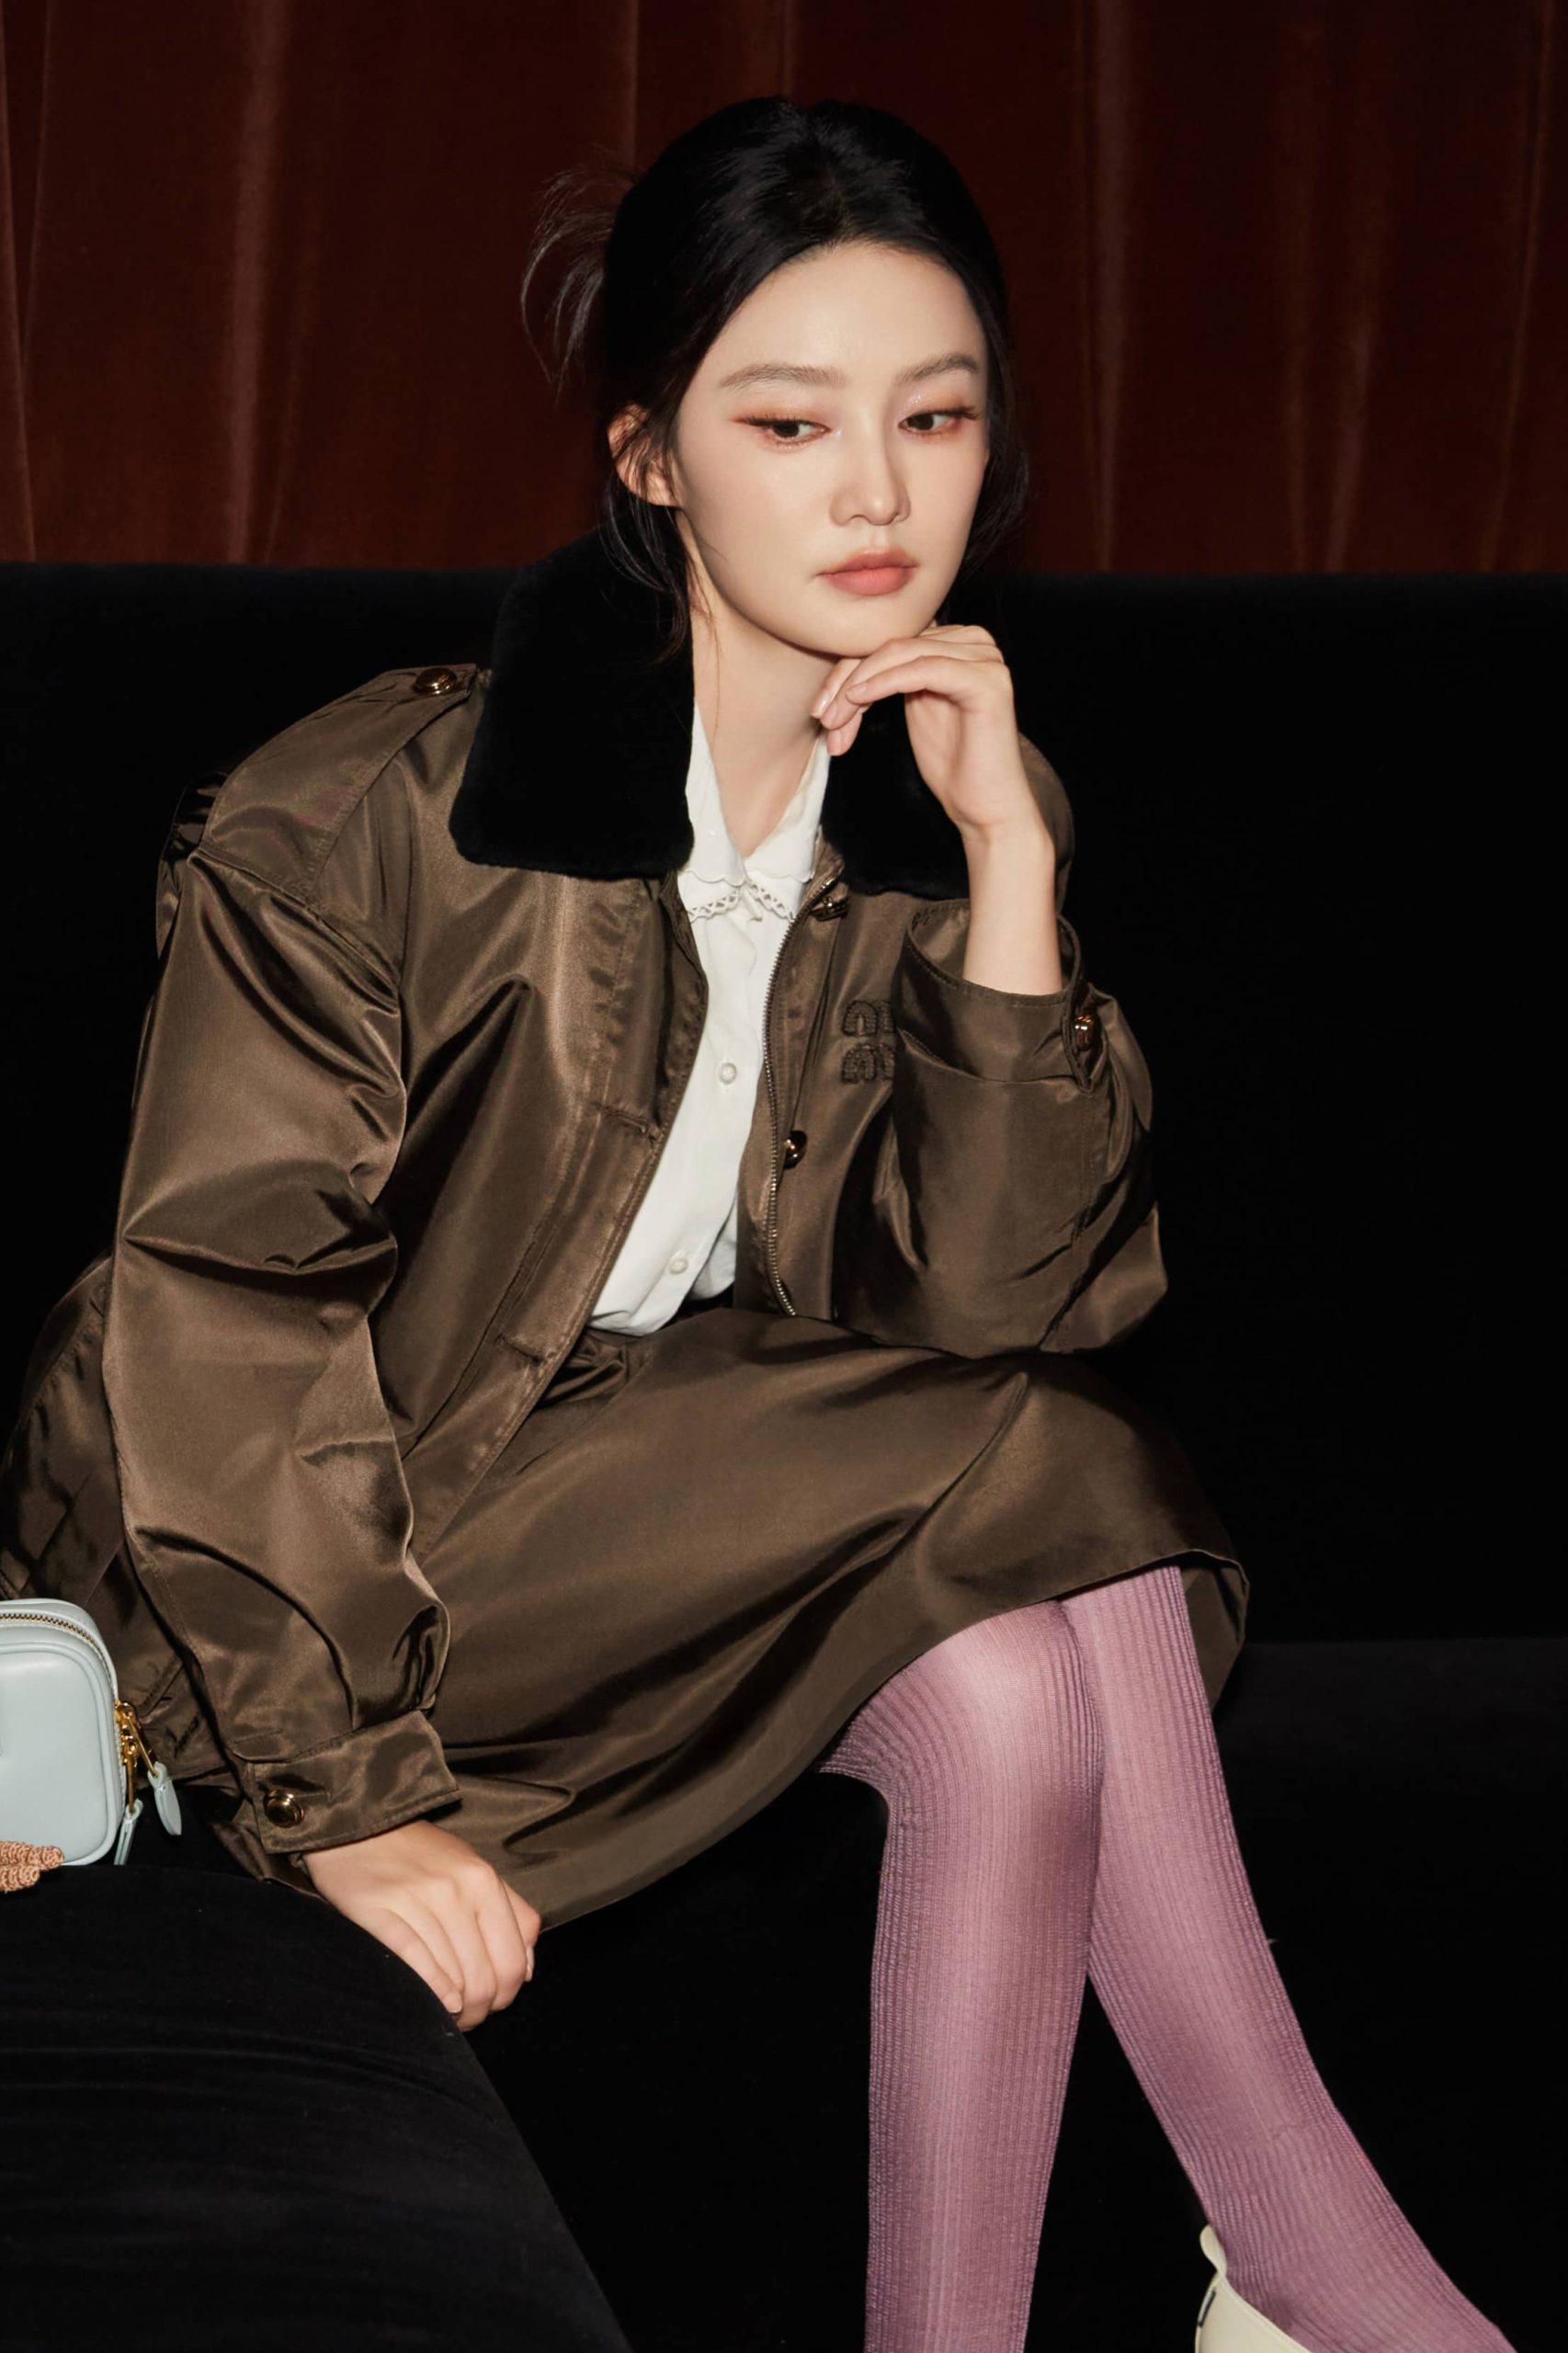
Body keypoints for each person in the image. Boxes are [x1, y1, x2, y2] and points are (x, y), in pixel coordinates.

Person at [0, 95, 1512, 2353]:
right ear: (650, 457)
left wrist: (1009, 876)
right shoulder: (367, 814)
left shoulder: (940, 803)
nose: (878, 492)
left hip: (629, 1536)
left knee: (1010, 1691)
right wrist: (342, 1801)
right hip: (296, 1584)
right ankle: (1319, 2270)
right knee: (1053, 1462)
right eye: (790, 422)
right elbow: (224, 1311)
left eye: (936, 417)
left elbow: (990, 1304)